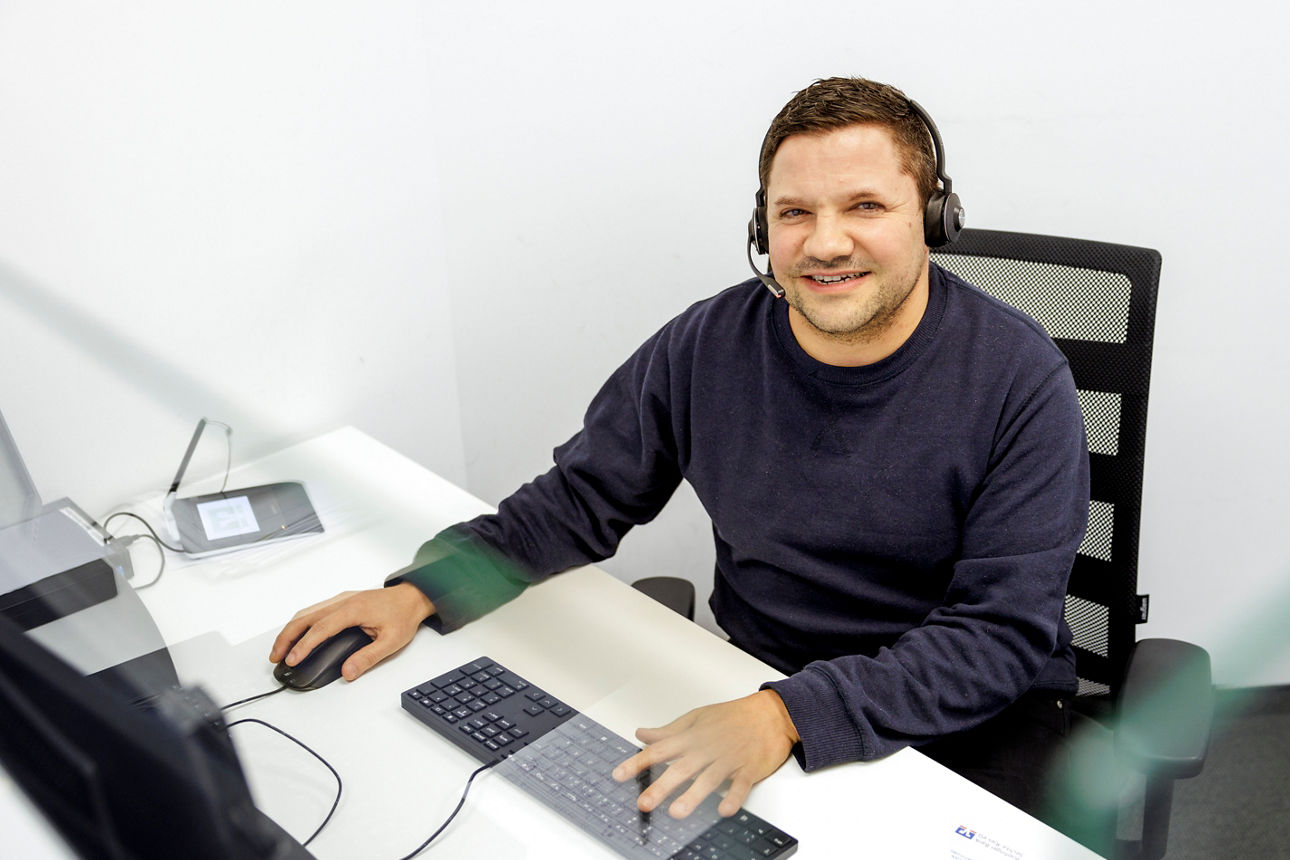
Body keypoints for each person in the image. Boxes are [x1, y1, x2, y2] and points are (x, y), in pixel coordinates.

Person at [270, 76, 1089, 825]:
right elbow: (581, 499)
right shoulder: (708, 346)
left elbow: (997, 635)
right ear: (762, 226)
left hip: (969, 716)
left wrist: (788, 716)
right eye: (795, 212)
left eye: (865, 206)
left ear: (934, 218)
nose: (825, 243)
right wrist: (426, 588)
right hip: (755, 681)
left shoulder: (1020, 379)